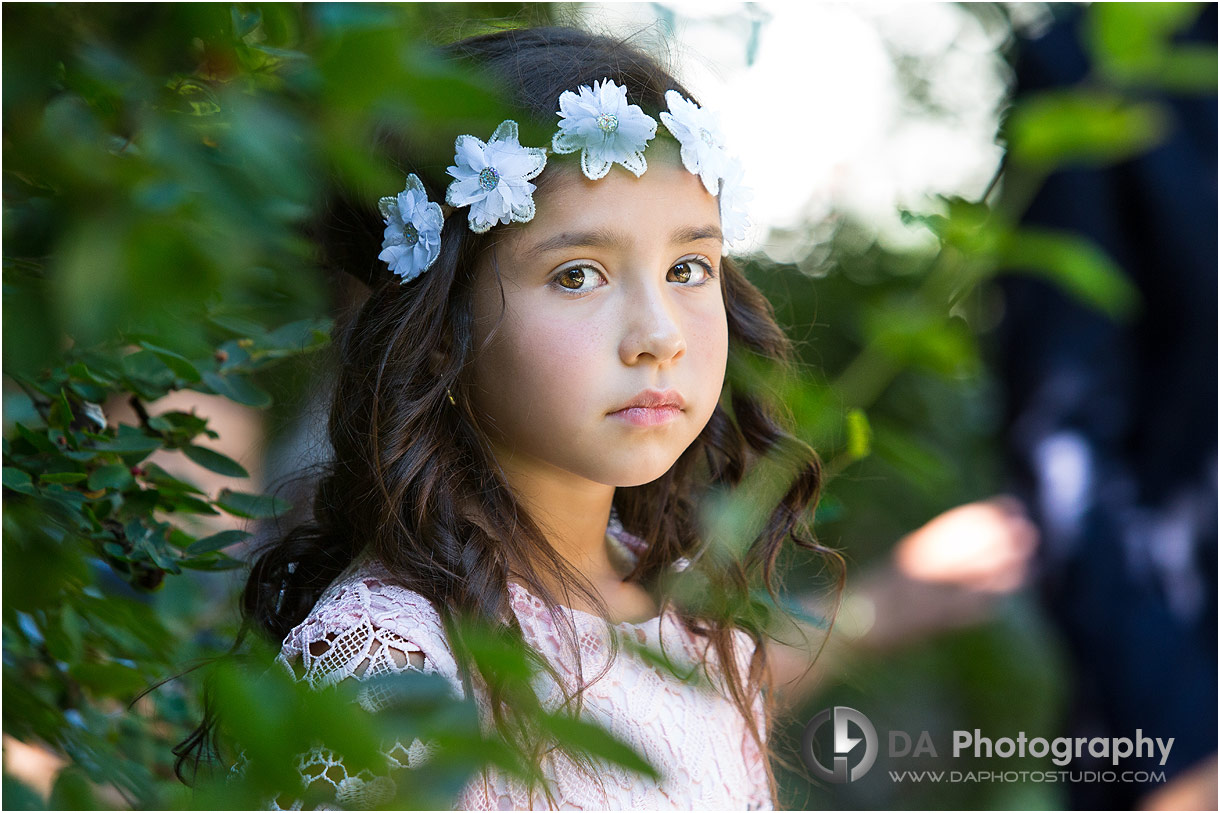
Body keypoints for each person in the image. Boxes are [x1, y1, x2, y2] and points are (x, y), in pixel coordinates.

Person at [186, 26, 842, 810]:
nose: (661, 334)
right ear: (438, 336)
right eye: (577, 274)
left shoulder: (696, 626)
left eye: (688, 267)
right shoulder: (390, 664)